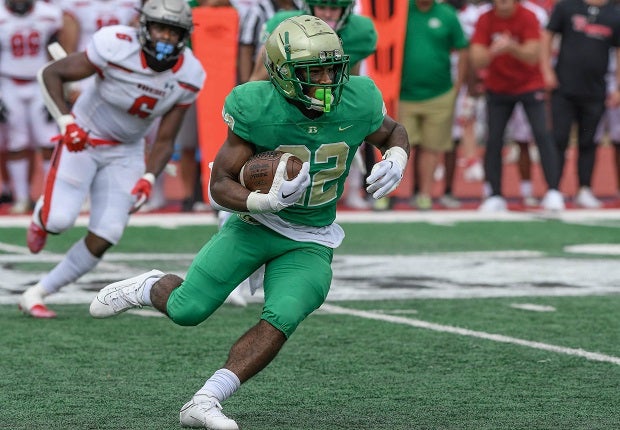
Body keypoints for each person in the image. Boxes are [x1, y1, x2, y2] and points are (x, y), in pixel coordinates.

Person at [88, 15, 409, 429]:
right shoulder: (256, 106)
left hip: (312, 235)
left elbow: (391, 130)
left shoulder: (358, 98)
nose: (328, 79)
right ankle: (148, 286)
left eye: (333, 68)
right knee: (189, 310)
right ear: (283, 74)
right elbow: (219, 183)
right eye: (314, 71)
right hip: (254, 225)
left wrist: (397, 156)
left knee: (286, 312)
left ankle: (205, 401)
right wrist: (261, 200)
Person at [18, 0, 205, 319]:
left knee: (108, 233)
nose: (165, 37)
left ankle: (38, 291)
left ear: (184, 35)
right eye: (160, 27)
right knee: (58, 221)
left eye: (174, 31)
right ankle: (41, 219)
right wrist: (67, 123)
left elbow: (164, 139)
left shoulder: (190, 74)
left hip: (127, 149)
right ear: (144, 27)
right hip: (85, 137)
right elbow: (52, 72)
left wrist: (148, 178)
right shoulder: (116, 45)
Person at [249, 0, 379, 208]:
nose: (328, 13)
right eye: (322, 7)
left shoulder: (360, 31)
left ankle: (351, 189)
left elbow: (350, 78)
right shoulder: (285, 24)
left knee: (346, 137)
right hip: (287, 96)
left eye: (334, 8)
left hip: (326, 91)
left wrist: (347, 112)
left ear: (346, 9)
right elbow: (259, 77)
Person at [470, 0, 564, 212]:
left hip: (530, 85)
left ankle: (553, 190)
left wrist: (511, 47)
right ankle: (494, 194)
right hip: (498, 87)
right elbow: (477, 59)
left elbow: (532, 55)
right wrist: (494, 50)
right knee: (494, 139)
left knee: (542, 134)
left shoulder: (528, 16)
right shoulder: (485, 19)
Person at [541, 0, 620, 208]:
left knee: (588, 141)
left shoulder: (614, 14)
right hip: (564, 89)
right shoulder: (567, 7)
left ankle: (584, 187)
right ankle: (553, 189)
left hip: (595, 91)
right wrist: (546, 70)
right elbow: (547, 36)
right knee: (559, 139)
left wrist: (618, 87)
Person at [399, 0, 469, 211]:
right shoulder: (401, 12)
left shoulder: (447, 14)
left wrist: (457, 87)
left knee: (431, 147)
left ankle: (424, 194)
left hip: (439, 93)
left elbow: (463, 48)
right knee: (396, 147)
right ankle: (388, 193)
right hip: (403, 94)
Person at [0, 0, 67, 214]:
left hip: (41, 82)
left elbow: (56, 51)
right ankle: (21, 197)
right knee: (15, 141)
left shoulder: (49, 14)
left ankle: (50, 196)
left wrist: (60, 87)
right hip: (8, 82)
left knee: (48, 139)